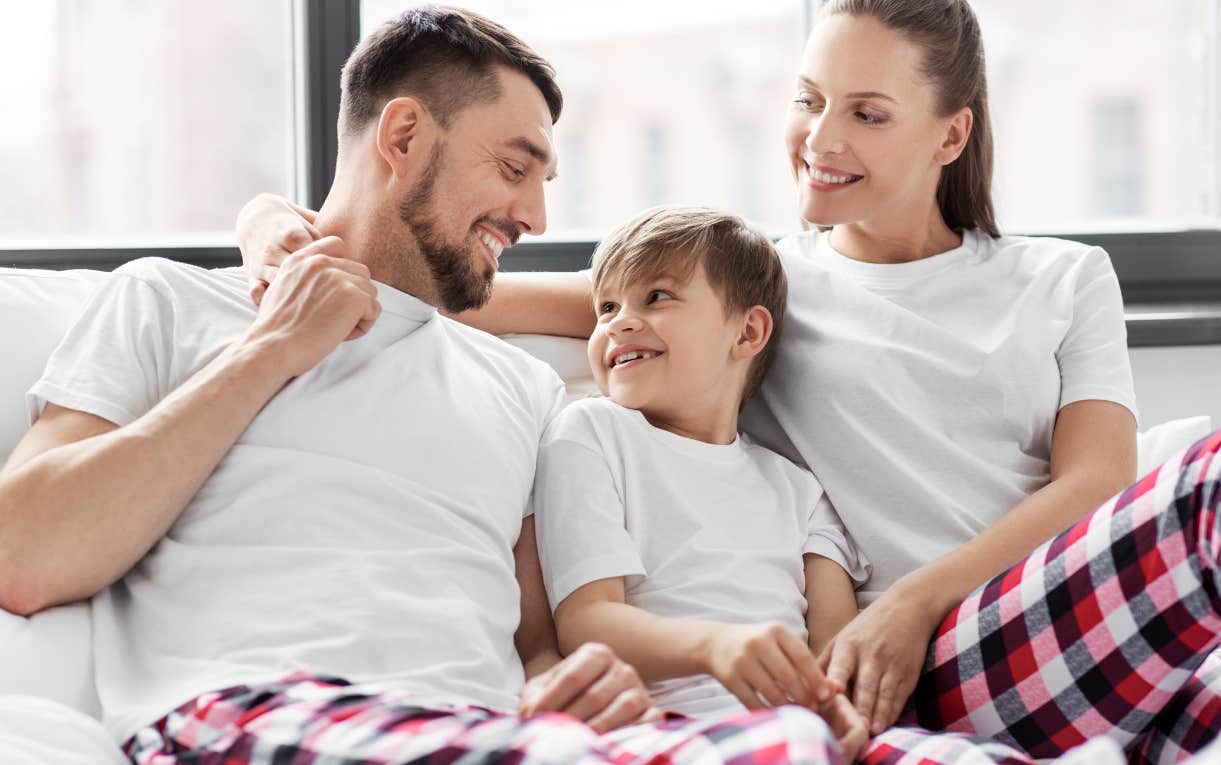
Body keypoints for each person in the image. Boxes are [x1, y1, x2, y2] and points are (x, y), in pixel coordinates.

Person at [235, 2, 1221, 764]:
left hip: (1066, 629)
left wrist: (916, 602)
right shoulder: (756, 290)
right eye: (810, 101)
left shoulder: (1061, 277)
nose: (819, 138)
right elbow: (475, 284)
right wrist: (270, 224)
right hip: (914, 670)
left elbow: (1100, 482)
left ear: (949, 133)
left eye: (867, 115)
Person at [0, 7, 843, 764]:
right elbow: (24, 554)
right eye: (516, 168)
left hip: (482, 728)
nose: (536, 218)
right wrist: (273, 348)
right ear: (401, 137)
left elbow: (538, 643)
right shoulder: (171, 302)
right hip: (252, 706)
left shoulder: (522, 389)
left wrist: (565, 691)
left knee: (788, 745)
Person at [530, 205, 869, 762]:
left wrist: (838, 709)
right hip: (668, 725)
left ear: (749, 331)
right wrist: (715, 647)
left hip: (795, 728)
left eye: (656, 297)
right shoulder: (591, 431)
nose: (618, 322)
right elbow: (587, 622)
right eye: (606, 307)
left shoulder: (799, 489)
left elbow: (834, 645)